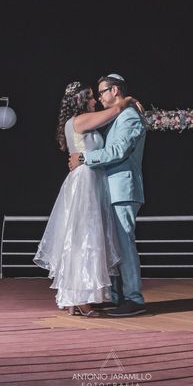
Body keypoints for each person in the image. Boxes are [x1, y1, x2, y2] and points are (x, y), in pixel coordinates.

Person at [34, 81, 140, 317]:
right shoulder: (79, 121)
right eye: (91, 96)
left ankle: (76, 297)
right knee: (83, 239)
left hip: (92, 181)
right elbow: (114, 111)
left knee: (87, 239)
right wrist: (129, 100)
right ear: (80, 101)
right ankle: (79, 298)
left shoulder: (85, 122)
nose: (94, 100)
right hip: (85, 182)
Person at [69, 74, 147, 317]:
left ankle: (134, 298)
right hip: (109, 189)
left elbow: (118, 151)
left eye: (102, 92)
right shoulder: (118, 116)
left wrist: (84, 158)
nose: (100, 97)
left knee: (124, 244)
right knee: (113, 245)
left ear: (115, 91)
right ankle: (117, 296)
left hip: (123, 189)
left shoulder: (130, 116)